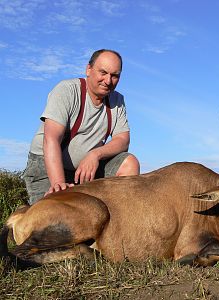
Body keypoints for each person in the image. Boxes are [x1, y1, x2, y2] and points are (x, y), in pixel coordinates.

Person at [23, 49, 140, 205]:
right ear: (88, 69)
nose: (108, 80)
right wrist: (59, 184)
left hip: (87, 168)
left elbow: (123, 139)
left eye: (114, 75)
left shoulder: (117, 100)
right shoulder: (67, 90)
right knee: (55, 216)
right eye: (103, 72)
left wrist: (95, 155)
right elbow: (51, 139)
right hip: (47, 166)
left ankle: (121, 222)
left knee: (129, 163)